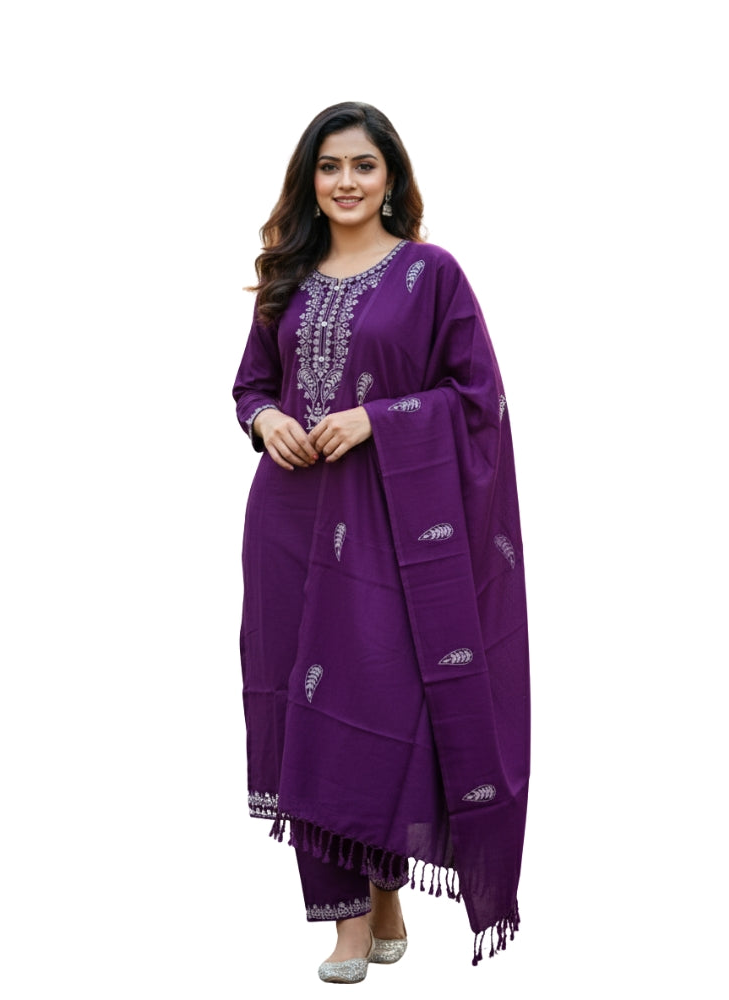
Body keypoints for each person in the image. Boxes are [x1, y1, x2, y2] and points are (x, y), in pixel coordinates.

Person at [232, 101, 530, 983]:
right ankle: (349, 923)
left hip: (389, 527)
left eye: (364, 165)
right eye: (329, 166)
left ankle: (383, 890)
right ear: (309, 180)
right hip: (288, 523)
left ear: (391, 176)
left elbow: (478, 399)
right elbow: (251, 385)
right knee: (300, 702)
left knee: (377, 706)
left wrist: (378, 419)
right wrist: (268, 420)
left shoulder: (432, 275)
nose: (347, 181)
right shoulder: (287, 277)